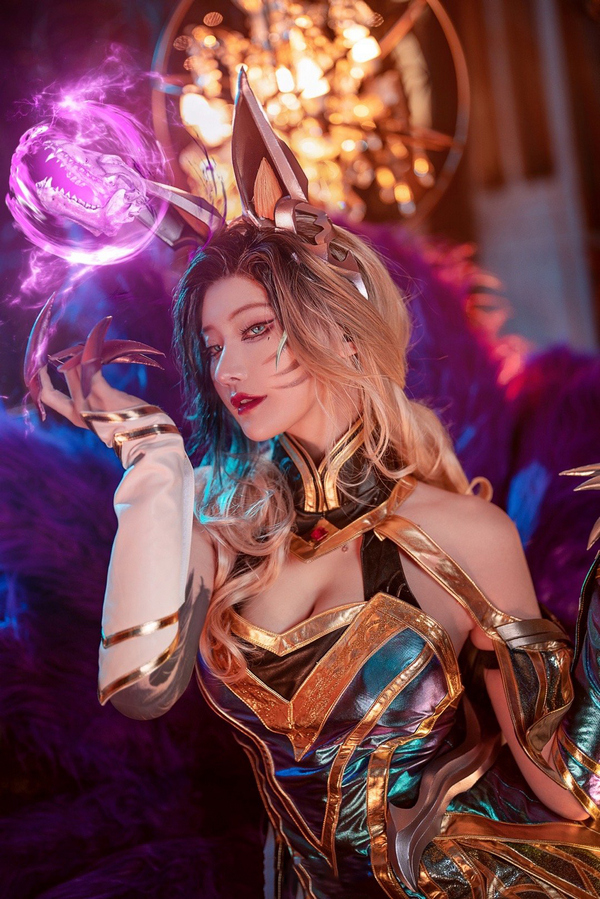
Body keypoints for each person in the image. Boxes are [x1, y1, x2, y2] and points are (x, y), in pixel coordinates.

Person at [33, 72, 600, 898]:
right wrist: (150, 453)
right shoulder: (219, 524)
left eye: (256, 328)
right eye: (213, 345)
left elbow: (565, 787)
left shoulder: (464, 534)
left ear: (337, 329)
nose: (229, 369)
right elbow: (140, 687)